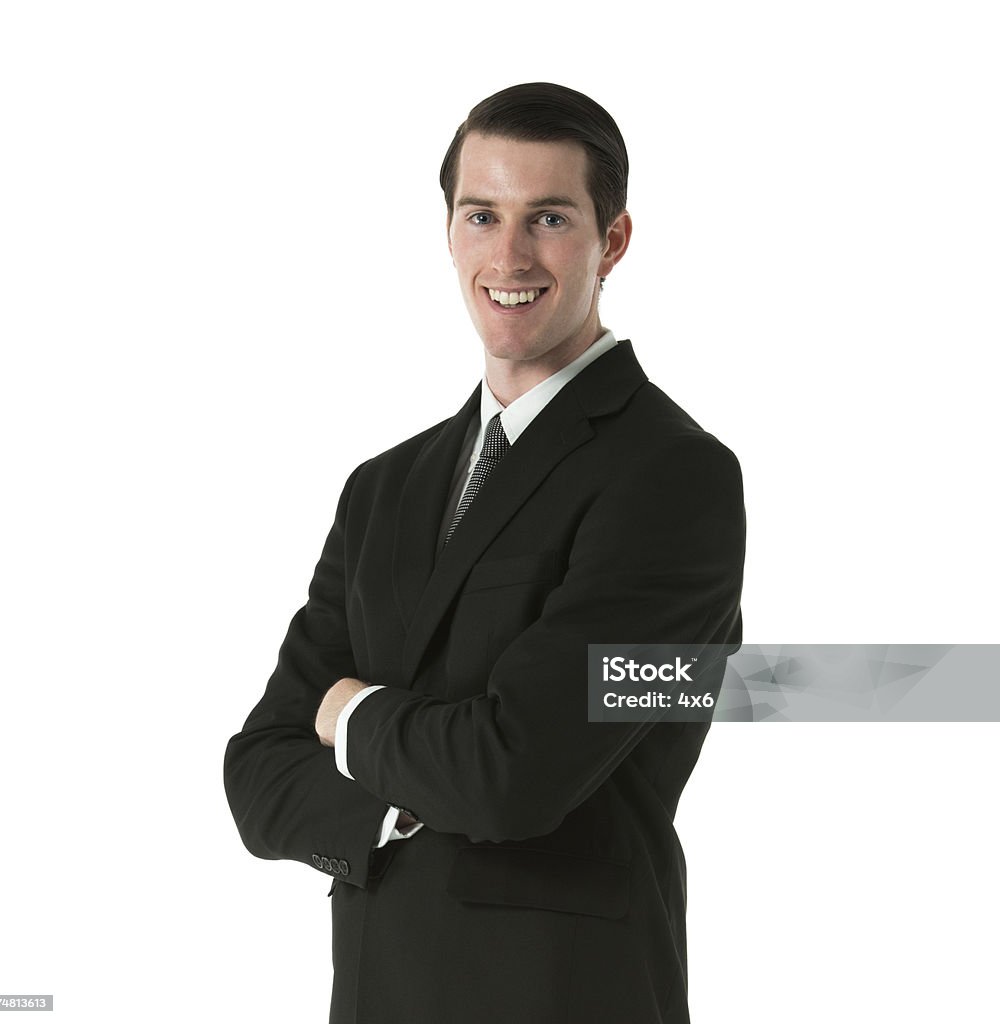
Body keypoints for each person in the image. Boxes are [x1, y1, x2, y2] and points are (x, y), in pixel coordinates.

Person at [224, 82, 745, 1024]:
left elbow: (515, 776)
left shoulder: (675, 480)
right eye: (482, 215)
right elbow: (258, 768)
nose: (509, 255)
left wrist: (351, 717)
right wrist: (402, 805)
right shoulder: (383, 487)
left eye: (548, 218)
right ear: (451, 233)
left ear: (612, 241)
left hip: (566, 998)